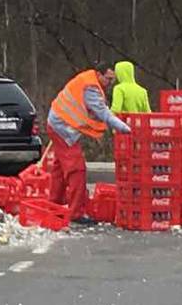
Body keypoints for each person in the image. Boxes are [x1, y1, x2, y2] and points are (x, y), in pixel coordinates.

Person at [47, 65, 131, 224]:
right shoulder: (91, 88)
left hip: (59, 123)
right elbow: (102, 113)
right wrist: (126, 129)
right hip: (63, 128)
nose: (110, 83)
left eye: (113, 79)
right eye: (108, 79)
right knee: (77, 170)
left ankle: (53, 206)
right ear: (99, 74)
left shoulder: (89, 81)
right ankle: (75, 213)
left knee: (59, 169)